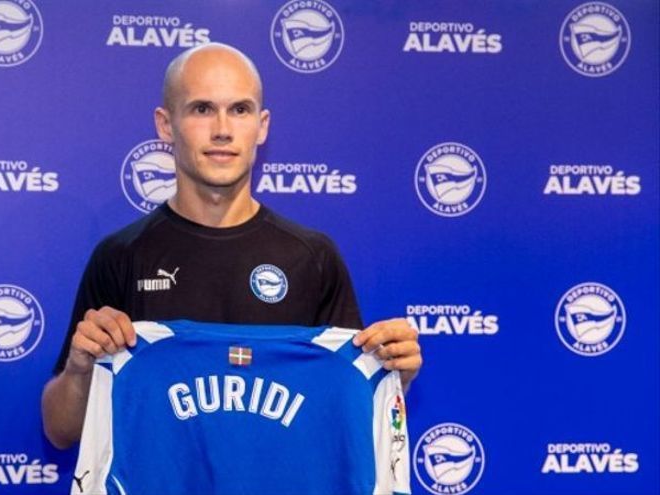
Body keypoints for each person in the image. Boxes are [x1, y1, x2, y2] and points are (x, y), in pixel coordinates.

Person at [41, 42, 422, 450]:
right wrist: (81, 370)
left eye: (239, 110)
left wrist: (393, 376)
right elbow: (62, 431)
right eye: (202, 109)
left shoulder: (312, 258)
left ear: (262, 126)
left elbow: (350, 417)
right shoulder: (121, 256)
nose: (222, 129)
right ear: (165, 124)